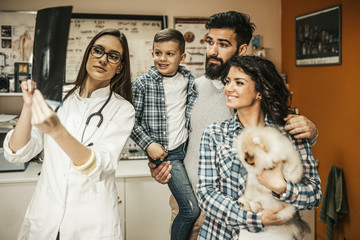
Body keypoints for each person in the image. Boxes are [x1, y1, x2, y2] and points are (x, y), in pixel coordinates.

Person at [149, 11, 319, 239]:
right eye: (209, 42)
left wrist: (312, 130)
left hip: (248, 208)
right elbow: (165, 133)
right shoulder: (189, 88)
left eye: (223, 44)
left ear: (241, 49)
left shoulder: (259, 92)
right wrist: (157, 161)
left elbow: (285, 134)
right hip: (190, 205)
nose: (212, 51)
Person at [3, 29, 135, 240]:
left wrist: (57, 130)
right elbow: (16, 153)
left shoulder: (123, 110)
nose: (102, 59)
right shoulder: (58, 95)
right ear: (88, 54)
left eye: (113, 56)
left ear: (120, 66)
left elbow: (100, 167)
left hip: (90, 223)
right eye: (98, 51)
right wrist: (27, 106)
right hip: (45, 218)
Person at [197, 55, 322, 239]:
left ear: (260, 92)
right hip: (223, 234)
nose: (228, 88)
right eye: (227, 81)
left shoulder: (290, 132)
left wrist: (282, 188)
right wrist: (255, 219)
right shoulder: (215, 134)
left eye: (239, 83)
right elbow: (206, 194)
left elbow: (314, 195)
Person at [130, 28, 200, 240]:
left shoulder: (190, 81)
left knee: (196, 207)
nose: (163, 58)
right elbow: (130, 121)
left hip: (187, 151)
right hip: (166, 155)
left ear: (182, 57)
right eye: (158, 52)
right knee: (190, 209)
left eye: (170, 54)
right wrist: (149, 144)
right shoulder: (142, 84)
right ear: (152, 54)